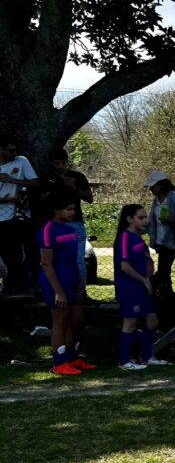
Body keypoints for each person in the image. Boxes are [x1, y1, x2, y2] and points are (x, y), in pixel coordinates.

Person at [38, 197, 95, 375]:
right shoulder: (47, 230)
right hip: (55, 283)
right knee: (60, 321)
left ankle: (72, 357)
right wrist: (59, 292)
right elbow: (46, 264)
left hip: (72, 280)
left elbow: (73, 260)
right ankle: (59, 363)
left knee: (77, 319)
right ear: (56, 209)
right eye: (68, 209)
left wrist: (79, 282)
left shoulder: (70, 230)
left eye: (73, 209)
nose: (72, 212)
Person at [113, 204, 167, 370]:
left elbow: (146, 263)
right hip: (130, 287)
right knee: (130, 323)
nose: (145, 221)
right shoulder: (124, 238)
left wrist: (148, 265)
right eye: (141, 218)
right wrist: (143, 280)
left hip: (143, 286)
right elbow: (124, 265)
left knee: (152, 319)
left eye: (146, 217)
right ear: (130, 219)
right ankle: (123, 361)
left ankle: (145, 356)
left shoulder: (138, 239)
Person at [42, 149, 93, 297]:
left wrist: (74, 187)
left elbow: (89, 198)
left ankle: (81, 293)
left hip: (74, 222)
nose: (60, 166)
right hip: (54, 224)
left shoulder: (76, 177)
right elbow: (41, 198)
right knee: (55, 260)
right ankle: (59, 291)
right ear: (52, 163)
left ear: (67, 162)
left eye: (63, 163)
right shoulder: (47, 178)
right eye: (57, 163)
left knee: (78, 260)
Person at [0, 135, 39, 294]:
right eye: (10, 150)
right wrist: (4, 200)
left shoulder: (21, 161)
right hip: (2, 211)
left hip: (15, 216)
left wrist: (13, 181)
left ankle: (14, 286)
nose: (14, 153)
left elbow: (35, 183)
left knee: (15, 253)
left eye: (16, 150)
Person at [144, 171, 175, 294]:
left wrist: (172, 221)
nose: (151, 189)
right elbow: (152, 220)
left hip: (174, 240)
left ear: (161, 185)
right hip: (161, 241)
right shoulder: (156, 200)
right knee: (164, 270)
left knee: (164, 270)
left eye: (153, 186)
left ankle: (157, 289)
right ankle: (165, 292)